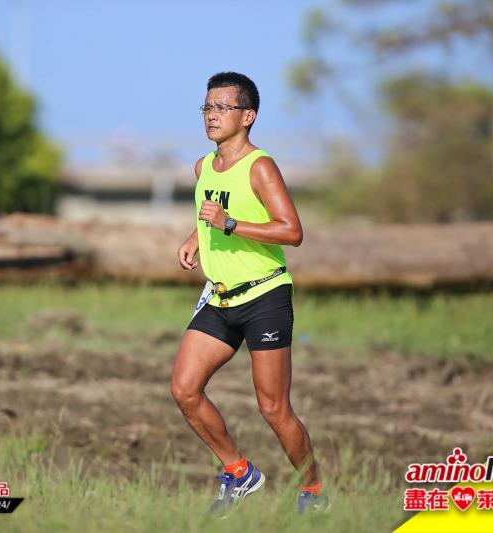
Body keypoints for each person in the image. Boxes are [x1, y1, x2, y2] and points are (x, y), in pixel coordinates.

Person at [171, 72, 327, 516]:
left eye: (222, 107)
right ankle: (239, 472)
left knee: (273, 409)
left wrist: (230, 225)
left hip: (264, 297)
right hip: (220, 298)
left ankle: (314, 492)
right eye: (207, 107)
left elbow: (292, 231)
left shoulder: (260, 166)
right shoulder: (203, 167)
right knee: (184, 389)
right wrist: (196, 238)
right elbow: (210, 215)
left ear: (248, 116)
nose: (211, 115)